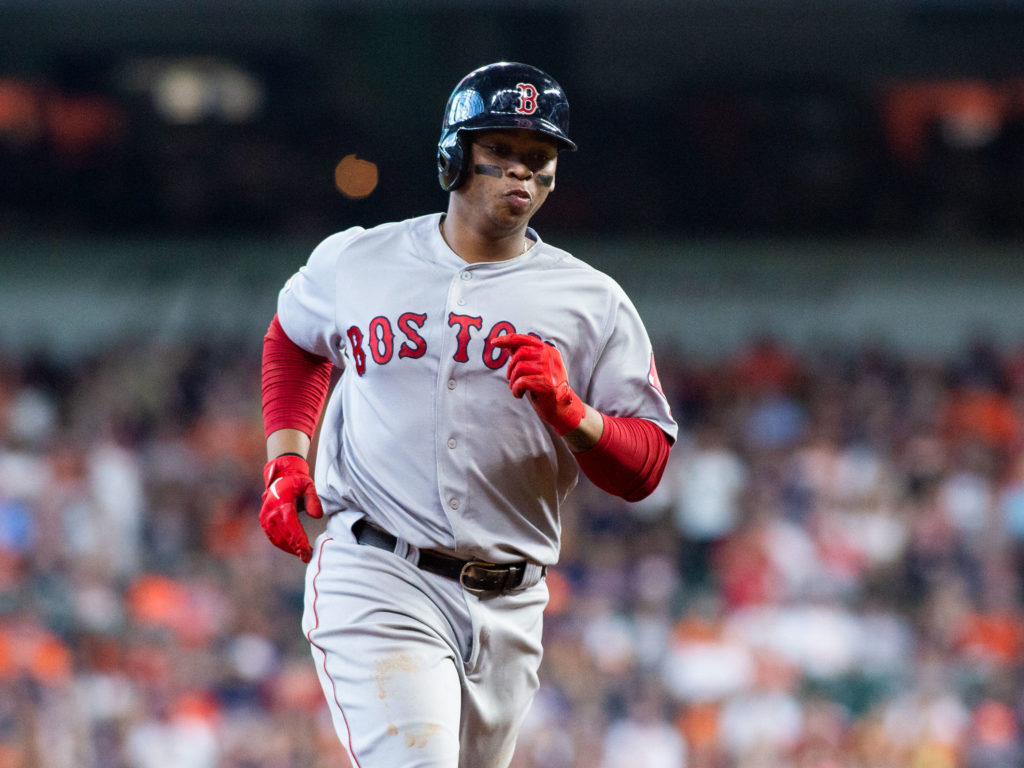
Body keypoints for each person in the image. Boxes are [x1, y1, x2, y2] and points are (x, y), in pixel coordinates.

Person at [257, 61, 678, 768]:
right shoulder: (361, 259)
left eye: (538, 158)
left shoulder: (590, 299)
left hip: (511, 601)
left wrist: (574, 416)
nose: (521, 173)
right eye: (503, 152)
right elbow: (292, 339)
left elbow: (646, 465)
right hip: (379, 569)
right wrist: (286, 455)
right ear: (455, 154)